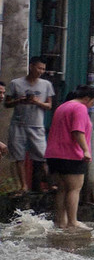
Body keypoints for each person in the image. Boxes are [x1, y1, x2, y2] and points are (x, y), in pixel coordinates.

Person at [46, 85, 94, 231]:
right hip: (71, 154)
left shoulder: (62, 107)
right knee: (74, 189)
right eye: (93, 102)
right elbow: (77, 131)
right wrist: (86, 150)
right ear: (87, 98)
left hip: (54, 154)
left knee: (62, 189)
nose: (92, 105)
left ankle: (61, 222)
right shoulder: (80, 108)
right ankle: (73, 221)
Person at [5, 57, 54, 191]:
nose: (41, 71)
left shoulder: (46, 85)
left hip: (37, 124)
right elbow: (6, 103)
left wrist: (37, 102)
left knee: (43, 156)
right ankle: (23, 186)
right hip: (18, 124)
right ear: (31, 66)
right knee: (18, 156)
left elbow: (49, 105)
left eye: (43, 69)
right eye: (39, 68)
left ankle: (51, 184)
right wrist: (19, 101)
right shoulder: (16, 83)